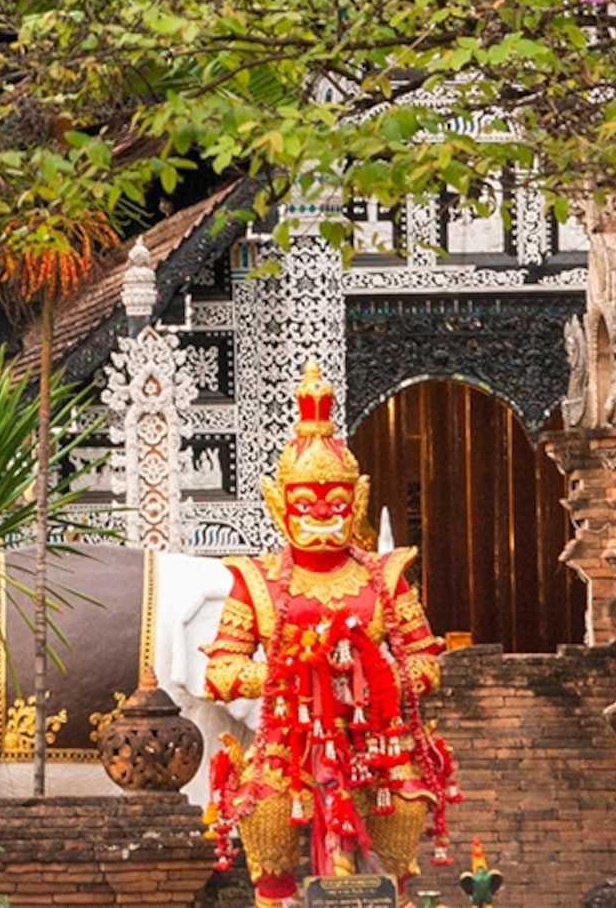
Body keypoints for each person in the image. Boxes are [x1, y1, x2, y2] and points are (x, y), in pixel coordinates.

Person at [202, 364, 454, 896]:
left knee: (404, 806)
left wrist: (367, 669)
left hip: (372, 737)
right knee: (265, 813)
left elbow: (425, 663)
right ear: (280, 506)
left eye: (336, 505)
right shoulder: (257, 581)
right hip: (287, 740)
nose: (322, 515)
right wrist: (289, 670)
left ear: (356, 501)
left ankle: (395, 898)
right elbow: (221, 671)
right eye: (306, 505)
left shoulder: (385, 578)